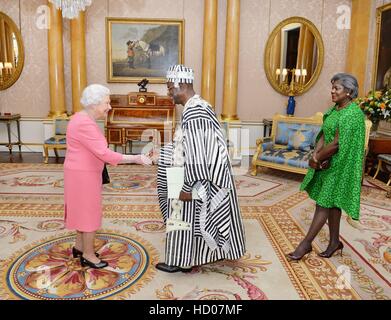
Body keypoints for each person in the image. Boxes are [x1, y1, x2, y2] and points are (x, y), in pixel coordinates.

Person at [155, 65, 246, 273]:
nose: (169, 93)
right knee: (188, 220)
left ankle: (179, 261)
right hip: (188, 174)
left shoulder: (195, 111)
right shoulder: (197, 106)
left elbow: (197, 153)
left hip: (191, 177)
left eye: (170, 88)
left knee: (181, 219)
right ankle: (186, 259)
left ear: (182, 85)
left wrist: (186, 185)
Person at [64, 84, 152, 269]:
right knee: (89, 212)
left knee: (81, 210)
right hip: (83, 175)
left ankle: (79, 247)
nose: (109, 106)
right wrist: (136, 158)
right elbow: (105, 154)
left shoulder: (80, 118)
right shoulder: (85, 123)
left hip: (80, 172)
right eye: (107, 102)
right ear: (94, 104)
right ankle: (87, 255)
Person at [287, 73, 365, 261]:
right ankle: (334, 242)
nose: (332, 91)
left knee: (323, 203)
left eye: (336, 88)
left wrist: (317, 158)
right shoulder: (335, 110)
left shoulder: (352, 113)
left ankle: (305, 245)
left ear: (348, 92)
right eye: (332, 87)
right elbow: (324, 133)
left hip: (341, 165)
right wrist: (316, 155)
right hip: (327, 162)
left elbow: (338, 143)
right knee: (332, 203)